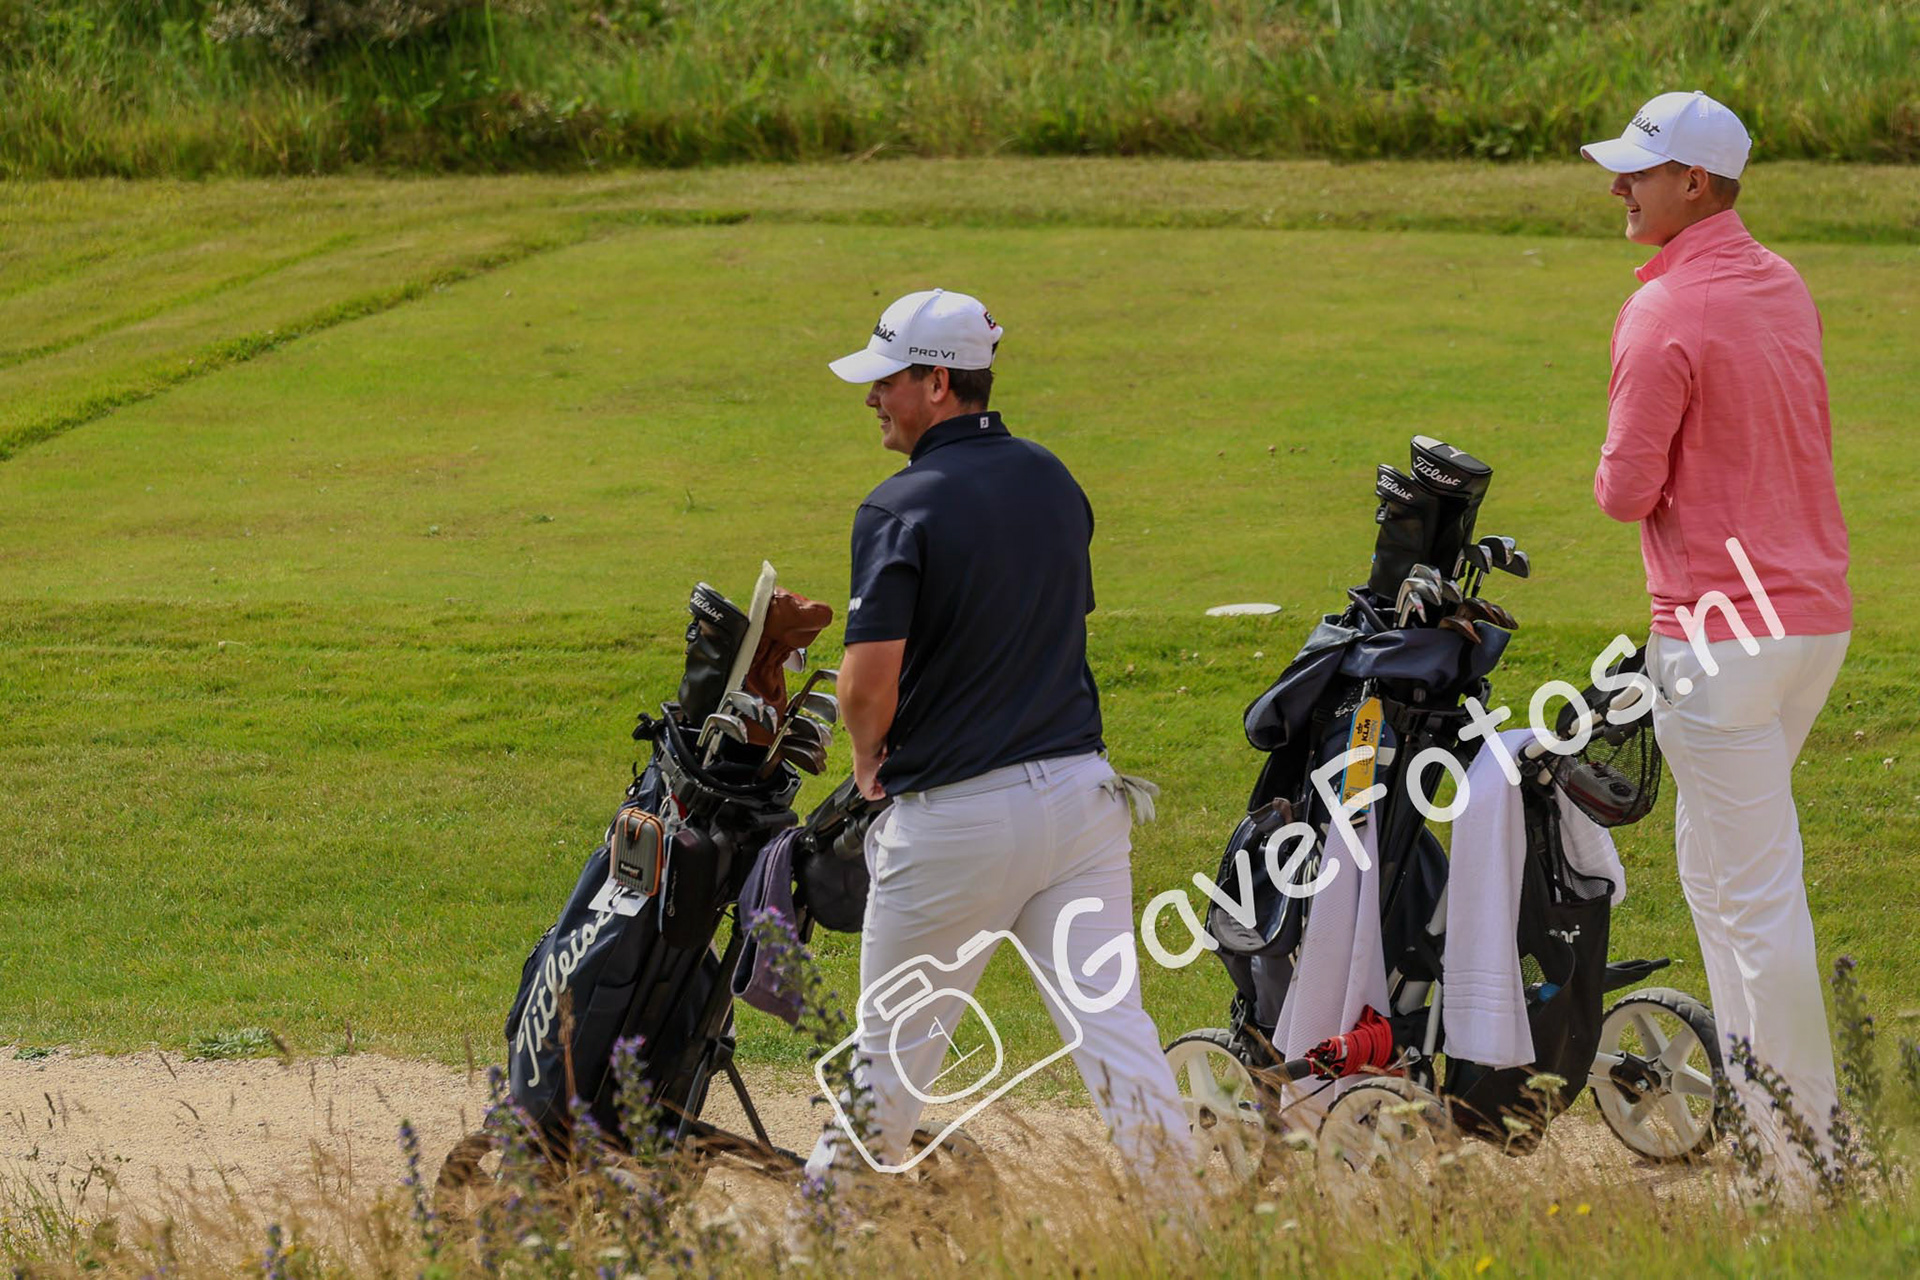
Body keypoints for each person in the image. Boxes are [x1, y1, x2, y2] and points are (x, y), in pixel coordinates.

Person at [803, 287, 1196, 1206]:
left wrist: (866, 761)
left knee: (887, 1059)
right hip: (1083, 809)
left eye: (888, 381)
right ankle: (1199, 1239)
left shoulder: (899, 505)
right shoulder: (1054, 478)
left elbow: (866, 684)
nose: (872, 399)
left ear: (938, 382)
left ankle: (805, 1249)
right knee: (1116, 1034)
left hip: (957, 825)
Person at [1581, 92, 1853, 1180]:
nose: (1618, 186)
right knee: (1715, 864)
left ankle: (1804, 1159)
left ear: (1696, 183)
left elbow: (1623, 488)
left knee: (1753, 900)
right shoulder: (1782, 283)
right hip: (1812, 626)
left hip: (1717, 640)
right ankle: (1761, 1114)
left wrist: (1607, 470)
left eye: (1639, 172)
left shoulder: (1660, 313)